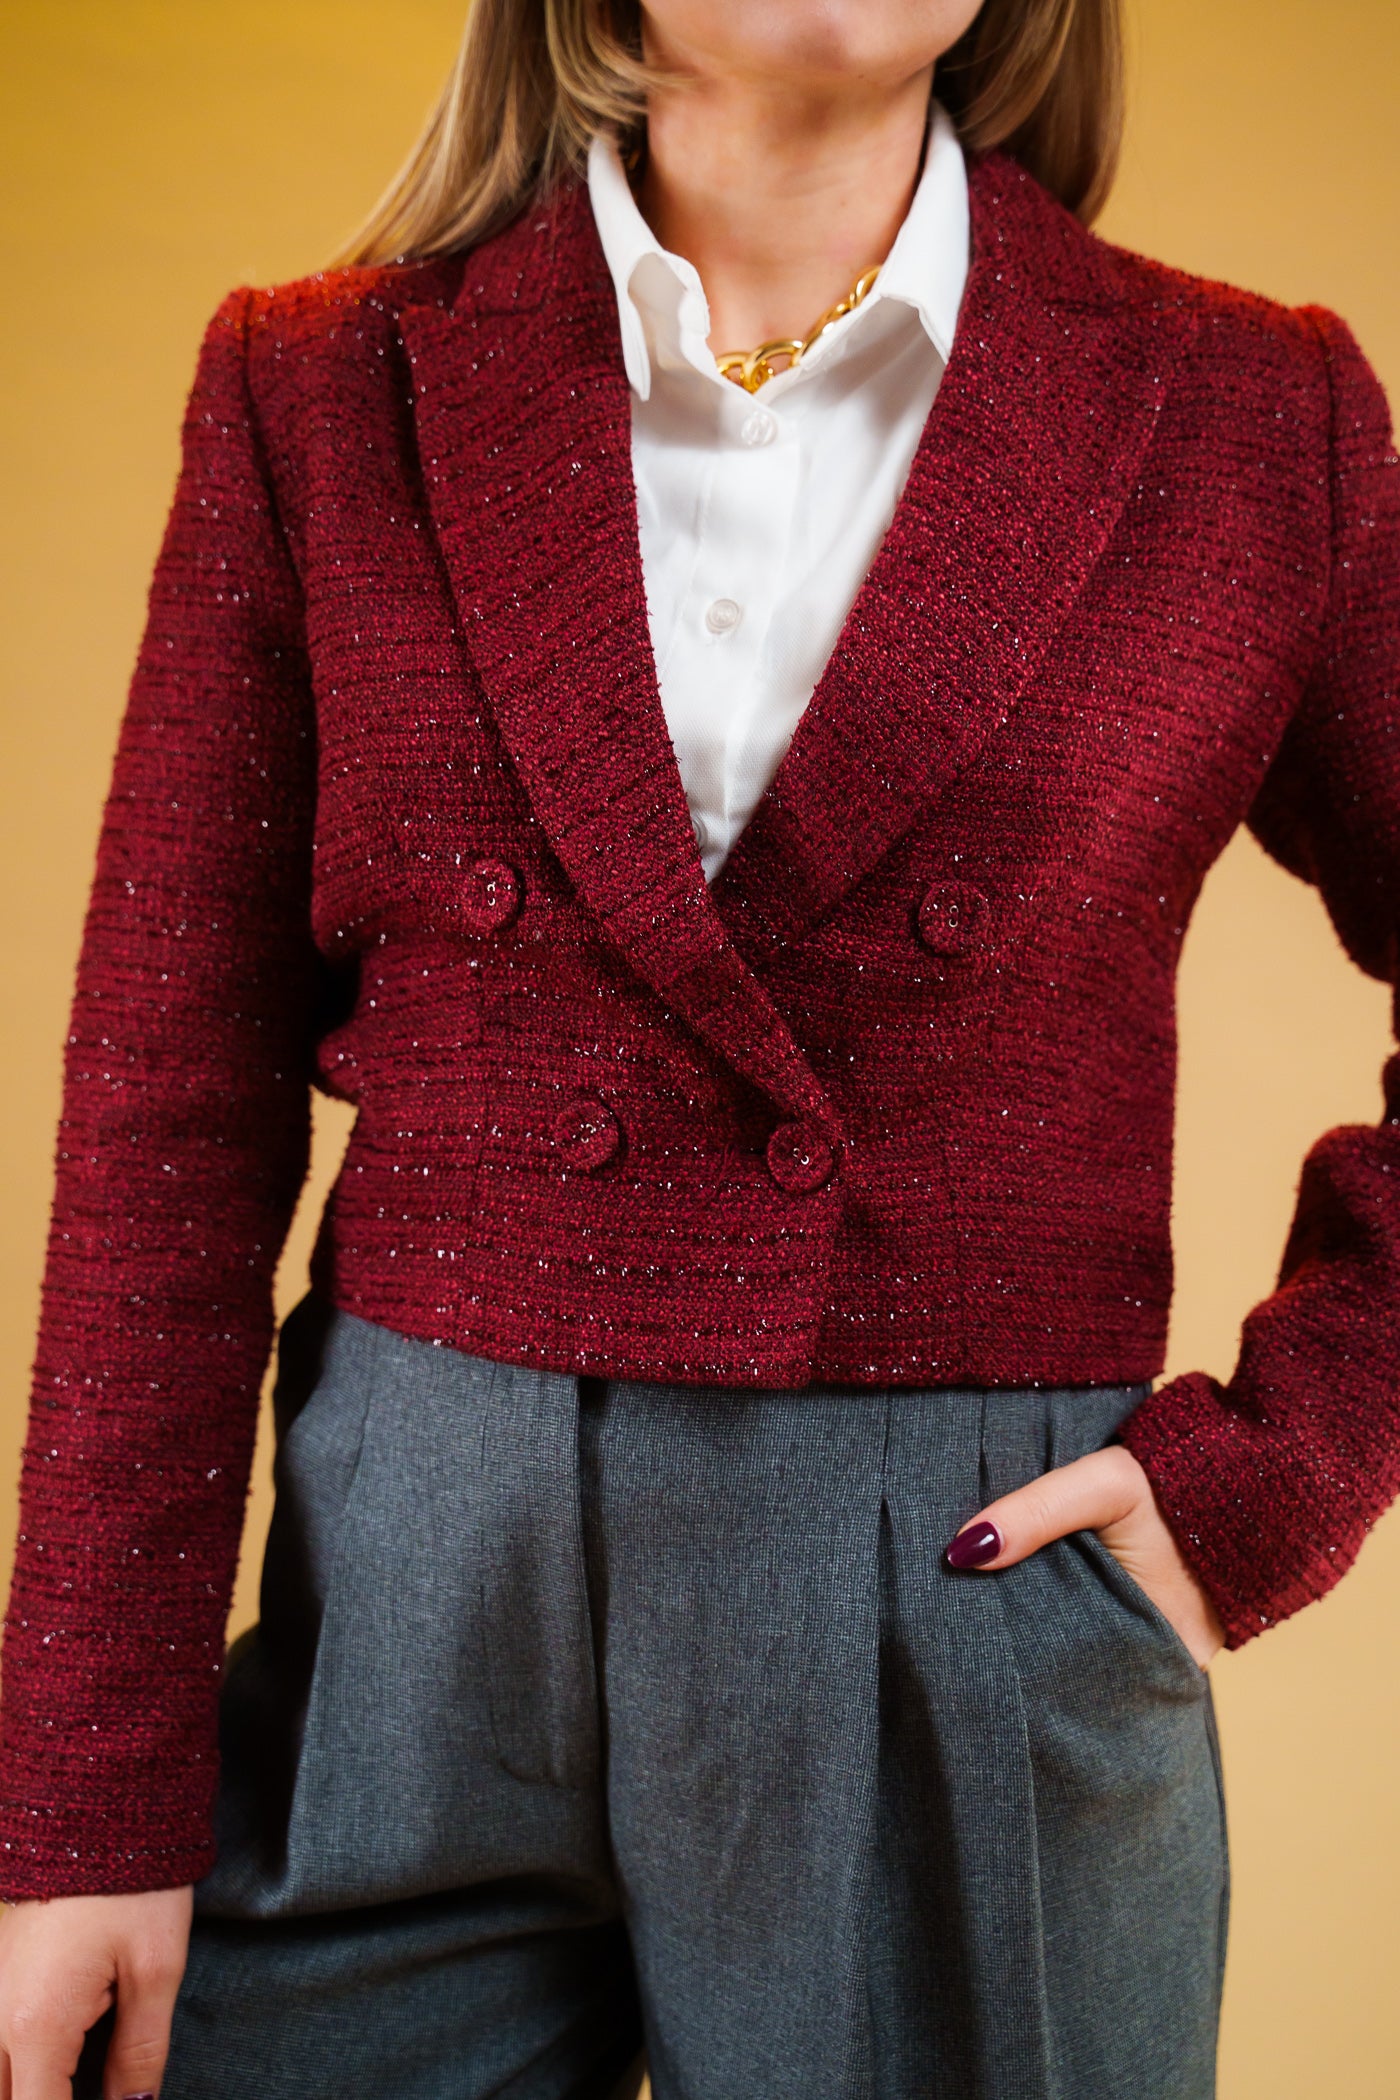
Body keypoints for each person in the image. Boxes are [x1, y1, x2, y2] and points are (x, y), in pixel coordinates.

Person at [1, 0, 1397, 2092]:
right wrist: (84, 1800)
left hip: (960, 1591)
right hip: (403, 1604)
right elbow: (167, 1113)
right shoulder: (322, 384)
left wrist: (1275, 1475)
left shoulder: (1251, 416)